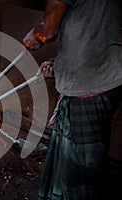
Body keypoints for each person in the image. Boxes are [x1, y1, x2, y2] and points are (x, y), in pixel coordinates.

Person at [22, 0, 122, 199]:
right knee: (84, 165)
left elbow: (48, 31)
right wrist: (60, 64)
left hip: (88, 87)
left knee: (81, 176)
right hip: (108, 77)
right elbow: (91, 26)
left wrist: (36, 34)